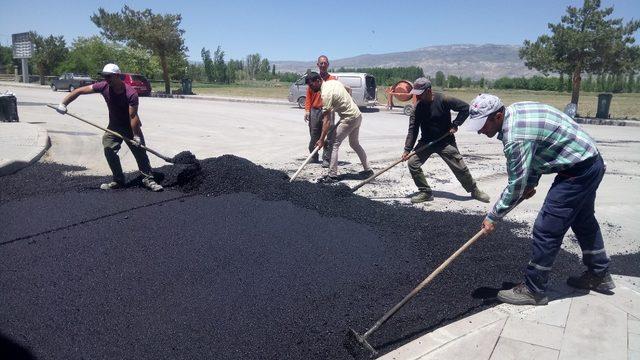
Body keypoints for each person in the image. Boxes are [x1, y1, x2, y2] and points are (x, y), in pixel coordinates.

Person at [466, 94, 614, 306]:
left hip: (577, 171)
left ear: (498, 116)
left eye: (482, 125)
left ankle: (534, 289)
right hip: (590, 161)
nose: (480, 130)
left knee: (546, 229)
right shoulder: (515, 111)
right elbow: (537, 153)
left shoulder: (515, 137)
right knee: (583, 220)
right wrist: (530, 183)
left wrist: (493, 216)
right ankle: (599, 274)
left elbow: (516, 184)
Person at [55, 63, 163, 192]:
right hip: (114, 126)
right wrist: (63, 103)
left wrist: (136, 136)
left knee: (140, 153)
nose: (106, 79)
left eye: (109, 77)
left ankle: (148, 179)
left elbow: (133, 116)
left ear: (117, 76)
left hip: (131, 126)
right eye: (105, 77)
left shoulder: (131, 93)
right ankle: (118, 180)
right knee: (109, 149)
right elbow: (79, 91)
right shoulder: (103, 86)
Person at [402, 77, 489, 203]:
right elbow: (413, 130)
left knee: (460, 167)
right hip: (426, 141)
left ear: (428, 90)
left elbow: (465, 108)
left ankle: (474, 190)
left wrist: (455, 124)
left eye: (420, 94)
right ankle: (425, 192)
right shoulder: (417, 108)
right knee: (412, 163)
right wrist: (407, 149)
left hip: (445, 141)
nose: (418, 97)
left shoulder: (444, 99)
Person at [306, 72, 373, 183]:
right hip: (357, 115)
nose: (311, 88)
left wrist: (322, 139)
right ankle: (368, 170)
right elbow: (348, 88)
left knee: (333, 143)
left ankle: (332, 175)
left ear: (318, 81)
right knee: (354, 144)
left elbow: (326, 121)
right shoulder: (332, 82)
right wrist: (345, 102)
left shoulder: (326, 94)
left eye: (312, 85)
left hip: (349, 118)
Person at [304, 55, 337, 167]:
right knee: (314, 134)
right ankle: (313, 157)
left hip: (328, 110)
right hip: (315, 110)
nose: (323, 65)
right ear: (317, 65)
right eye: (321, 63)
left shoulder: (332, 79)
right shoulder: (313, 78)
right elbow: (308, 96)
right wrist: (307, 110)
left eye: (325, 63)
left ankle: (326, 159)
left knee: (329, 135)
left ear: (328, 65)